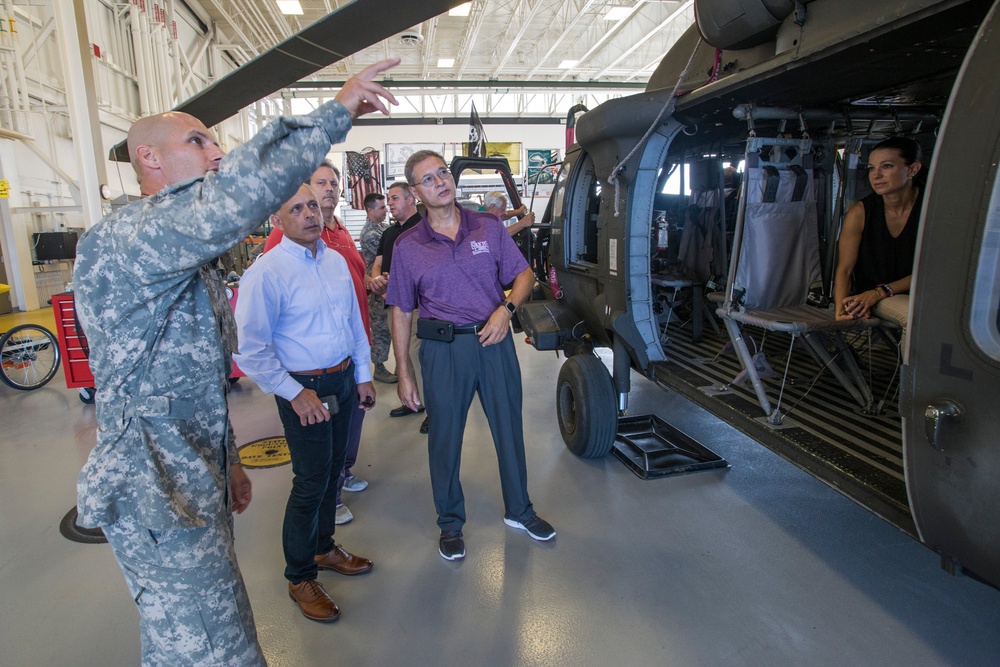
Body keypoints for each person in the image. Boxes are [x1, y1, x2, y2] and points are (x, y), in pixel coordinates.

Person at [72, 58, 399, 663]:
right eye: (198, 140)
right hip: (154, 486)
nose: (216, 152)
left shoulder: (179, 255)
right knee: (214, 649)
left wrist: (228, 465)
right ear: (149, 158)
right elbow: (236, 202)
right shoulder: (130, 236)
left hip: (189, 474)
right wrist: (336, 113)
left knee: (199, 639)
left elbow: (188, 386)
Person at [386, 150, 555, 561]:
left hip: (493, 341)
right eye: (428, 179)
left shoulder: (488, 227)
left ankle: (520, 510)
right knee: (445, 438)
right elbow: (401, 309)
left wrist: (507, 308)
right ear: (416, 192)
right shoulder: (408, 247)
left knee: (508, 429)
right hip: (443, 351)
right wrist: (404, 371)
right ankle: (450, 522)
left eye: (443, 172)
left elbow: (525, 275)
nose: (441, 181)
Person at [235, 183, 376, 623]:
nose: (310, 214)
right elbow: (249, 350)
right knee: (311, 481)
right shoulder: (267, 273)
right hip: (305, 390)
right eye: (296, 209)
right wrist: (295, 393)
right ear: (277, 221)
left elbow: (353, 322)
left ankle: (323, 548)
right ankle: (300, 576)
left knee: (333, 470)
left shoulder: (334, 261)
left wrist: (365, 374)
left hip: (342, 379)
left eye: (313, 205)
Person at [263, 161, 373, 520]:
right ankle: (331, 497)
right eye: (320, 184)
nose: (328, 190)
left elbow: (351, 284)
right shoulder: (286, 243)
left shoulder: (338, 232)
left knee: (350, 422)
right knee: (313, 467)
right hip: (310, 368)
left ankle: (343, 473)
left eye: (333, 184)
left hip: (349, 347)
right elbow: (262, 330)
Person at [834, 136, 924, 347]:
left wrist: (882, 291)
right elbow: (844, 269)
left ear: (912, 170)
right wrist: (841, 309)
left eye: (887, 166)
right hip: (875, 295)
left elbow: (933, 269)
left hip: (917, 291)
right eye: (872, 168)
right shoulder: (860, 212)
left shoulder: (931, 208)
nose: (877, 175)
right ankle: (911, 380)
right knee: (917, 317)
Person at [370, 181, 427, 431]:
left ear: (410, 199)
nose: (389, 204)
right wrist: (376, 280)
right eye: (388, 199)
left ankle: (432, 410)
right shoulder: (389, 233)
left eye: (394, 198)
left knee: (418, 356)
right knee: (402, 356)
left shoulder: (425, 229)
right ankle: (412, 400)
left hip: (417, 308)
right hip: (393, 305)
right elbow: (377, 262)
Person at [360, 191, 395, 384]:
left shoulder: (383, 228)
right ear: (370, 210)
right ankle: (379, 368)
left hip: (385, 283)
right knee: (381, 329)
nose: (386, 210)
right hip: (377, 288)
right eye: (382, 207)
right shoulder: (371, 233)